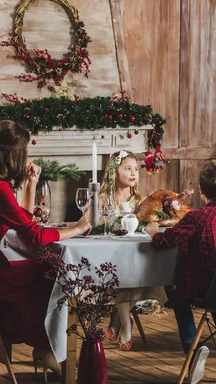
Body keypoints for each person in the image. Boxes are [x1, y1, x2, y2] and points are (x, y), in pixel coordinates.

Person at [0, 120, 92, 374]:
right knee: (50, 273)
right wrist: (78, 229)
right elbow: (35, 237)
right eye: (25, 150)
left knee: (41, 270)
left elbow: (22, 223)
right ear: (15, 154)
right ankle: (47, 349)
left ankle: (36, 346)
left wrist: (30, 184)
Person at [145, 161, 216, 384]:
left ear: (200, 189)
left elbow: (167, 241)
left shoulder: (197, 218)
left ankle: (193, 347)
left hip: (207, 289)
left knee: (178, 296)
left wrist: (154, 232)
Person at [87, 150, 167, 351]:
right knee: (122, 278)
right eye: (127, 168)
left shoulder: (141, 201)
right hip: (110, 260)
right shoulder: (104, 200)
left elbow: (151, 225)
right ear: (115, 172)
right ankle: (126, 325)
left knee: (135, 275)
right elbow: (89, 223)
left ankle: (117, 320)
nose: (133, 173)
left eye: (136, 169)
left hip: (136, 258)